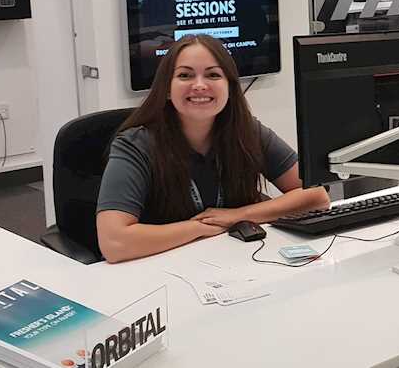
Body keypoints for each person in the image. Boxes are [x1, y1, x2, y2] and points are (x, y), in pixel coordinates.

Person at [96, 35, 330, 263]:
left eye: (213, 75)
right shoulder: (136, 145)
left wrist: (237, 216)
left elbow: (316, 196)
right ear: (166, 88)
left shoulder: (247, 131)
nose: (199, 85)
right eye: (185, 75)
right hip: (161, 269)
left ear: (230, 87)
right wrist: (199, 228)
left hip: (235, 262)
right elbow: (113, 242)